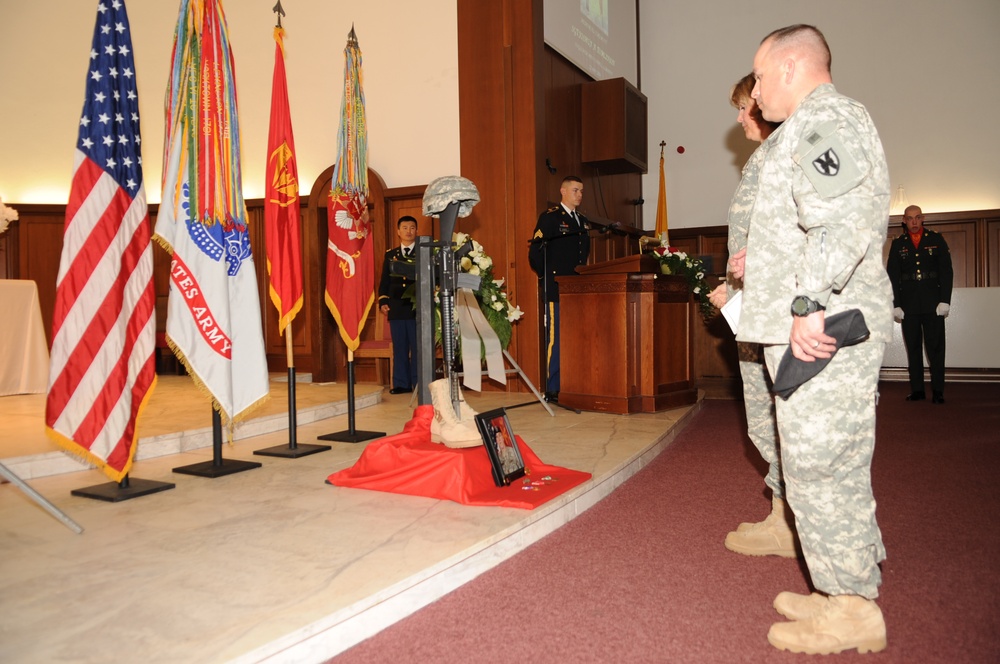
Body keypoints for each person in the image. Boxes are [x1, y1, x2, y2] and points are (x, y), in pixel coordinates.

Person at [729, 24, 892, 654]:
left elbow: (844, 222)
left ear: (792, 67)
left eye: (761, 77)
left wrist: (806, 303)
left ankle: (853, 609)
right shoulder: (803, 129)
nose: (757, 92)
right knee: (810, 463)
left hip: (825, 327)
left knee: (826, 465)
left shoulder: (830, 121)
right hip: (808, 324)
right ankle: (837, 590)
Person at [707, 74, 796, 559]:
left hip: (772, 309)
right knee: (763, 413)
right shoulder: (763, 158)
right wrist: (735, 284)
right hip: (752, 305)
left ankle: (790, 521)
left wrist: (751, 273)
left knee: (776, 414)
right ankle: (782, 513)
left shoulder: (782, 153)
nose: (740, 117)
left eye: (744, 107)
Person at [528, 175, 591, 402]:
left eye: (582, 191)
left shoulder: (582, 221)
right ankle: (553, 387)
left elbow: (584, 255)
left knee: (575, 337)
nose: (580, 195)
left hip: (577, 289)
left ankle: (573, 382)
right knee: (556, 338)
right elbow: (536, 252)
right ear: (563, 191)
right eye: (576, 190)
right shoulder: (551, 218)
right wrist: (548, 278)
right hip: (557, 287)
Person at [885, 205, 952, 403]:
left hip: (933, 304)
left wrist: (945, 300)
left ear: (923, 218)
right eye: (910, 218)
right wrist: (895, 303)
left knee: (936, 349)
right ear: (904, 221)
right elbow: (892, 276)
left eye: (917, 217)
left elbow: (946, 272)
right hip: (909, 305)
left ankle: (938, 391)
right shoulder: (898, 244)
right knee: (913, 348)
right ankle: (918, 390)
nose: (914, 222)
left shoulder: (935, 239)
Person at [378, 215, 419, 394]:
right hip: (397, 307)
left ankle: (419, 384)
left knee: (418, 348)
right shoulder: (390, 254)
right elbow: (385, 280)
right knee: (400, 347)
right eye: (404, 228)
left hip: (417, 307)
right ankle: (402, 384)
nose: (408, 231)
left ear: (416, 231)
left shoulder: (423, 253)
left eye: (412, 228)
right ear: (398, 231)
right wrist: (383, 300)